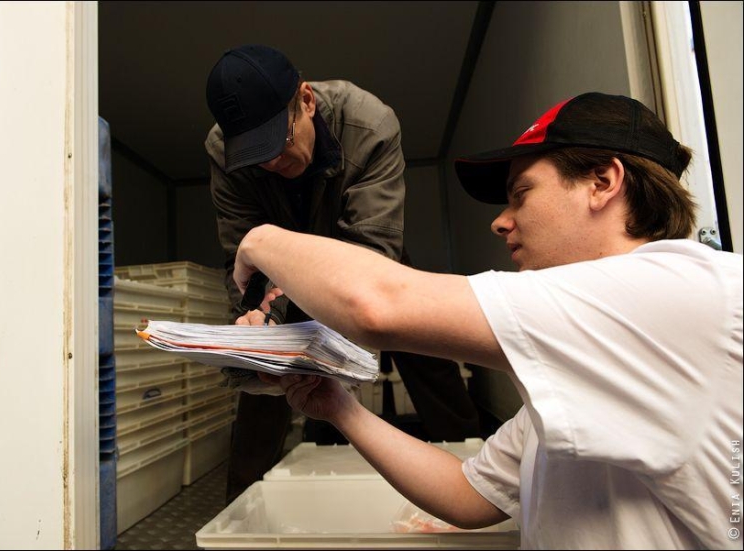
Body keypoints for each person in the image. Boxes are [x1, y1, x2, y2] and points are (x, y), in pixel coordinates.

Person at [232, 92, 743, 549]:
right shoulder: (592, 357)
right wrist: (339, 408)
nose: (501, 221)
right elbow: (471, 497)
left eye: (521, 194)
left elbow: (376, 304)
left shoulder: (678, 291)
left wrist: (261, 239)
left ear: (602, 182)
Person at [204, 44, 480, 503]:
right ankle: (241, 510)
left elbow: (372, 255)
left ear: (306, 100)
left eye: (278, 143)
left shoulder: (369, 124)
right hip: (273, 262)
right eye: (256, 154)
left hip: (363, 249)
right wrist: (255, 324)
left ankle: (471, 468)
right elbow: (241, 251)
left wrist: (290, 309)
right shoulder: (222, 151)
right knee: (263, 368)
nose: (270, 162)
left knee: (424, 341)